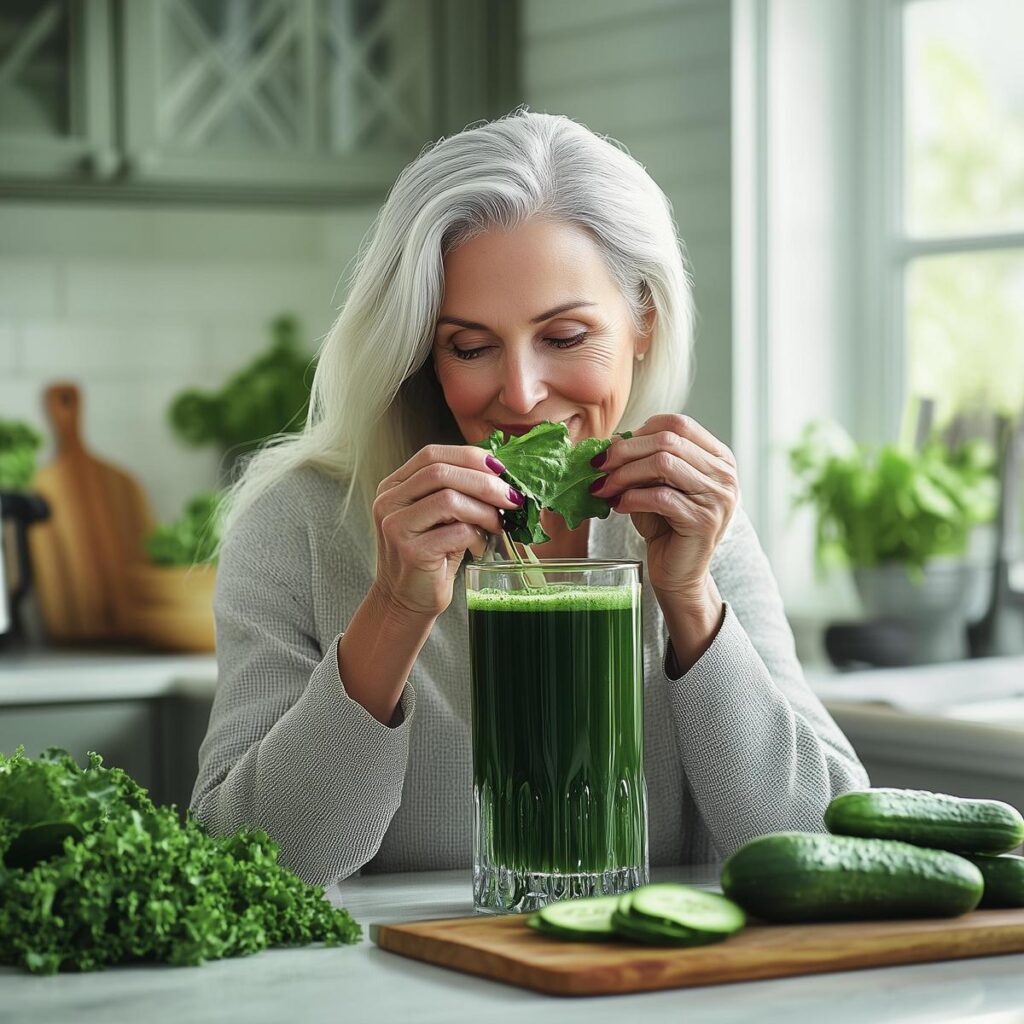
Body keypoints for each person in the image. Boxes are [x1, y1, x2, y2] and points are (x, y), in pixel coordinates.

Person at [190, 107, 869, 887]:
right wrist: (396, 608)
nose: (520, 392)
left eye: (566, 336)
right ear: (422, 353)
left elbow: (827, 843)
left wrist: (689, 597)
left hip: (642, 995)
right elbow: (235, 864)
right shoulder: (297, 524)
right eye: (470, 347)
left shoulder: (688, 523)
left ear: (642, 318)